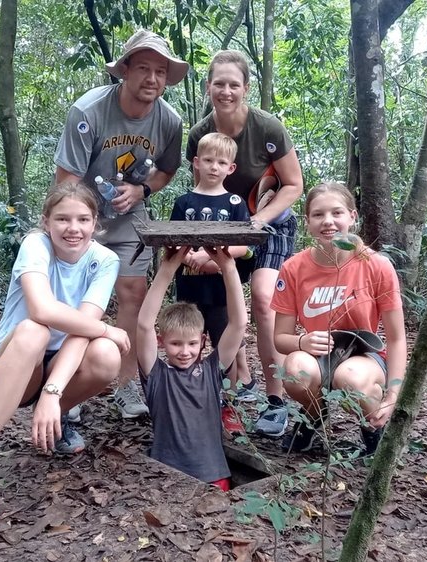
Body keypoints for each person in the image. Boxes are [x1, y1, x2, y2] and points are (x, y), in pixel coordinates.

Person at [0, 183, 130, 526]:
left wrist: (53, 395)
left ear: (95, 222)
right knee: (35, 330)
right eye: (63, 219)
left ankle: (57, 418)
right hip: (16, 357)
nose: (73, 228)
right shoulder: (35, 244)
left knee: (106, 355)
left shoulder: (105, 260)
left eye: (83, 219)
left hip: (62, 365)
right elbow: (41, 309)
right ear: (46, 222)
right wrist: (106, 327)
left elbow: (82, 330)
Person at [55, 29, 189, 420]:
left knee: (133, 293)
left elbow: (166, 169)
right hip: (81, 217)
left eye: (160, 71)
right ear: (124, 71)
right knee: (74, 298)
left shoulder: (169, 120)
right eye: (144, 68)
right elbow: (67, 181)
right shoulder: (89, 112)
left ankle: (127, 384)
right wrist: (80, 226)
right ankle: (68, 383)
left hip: (129, 219)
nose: (152, 79)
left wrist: (141, 191)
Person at [186, 49, 305, 437]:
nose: (225, 91)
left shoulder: (267, 128)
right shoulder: (199, 134)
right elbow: (198, 190)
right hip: (221, 230)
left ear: (246, 88)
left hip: (269, 225)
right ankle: (238, 383)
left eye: (233, 84)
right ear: (208, 87)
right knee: (217, 304)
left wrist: (257, 221)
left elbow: (293, 185)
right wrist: (199, 247)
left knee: (262, 300)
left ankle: (275, 401)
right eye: (218, 83)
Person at [270, 182, 407, 455]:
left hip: (364, 357)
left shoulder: (376, 265)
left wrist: (393, 394)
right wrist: (302, 341)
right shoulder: (294, 268)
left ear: (352, 217)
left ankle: (373, 426)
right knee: (294, 371)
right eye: (318, 215)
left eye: (337, 213)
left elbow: (396, 337)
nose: (328, 222)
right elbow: (280, 339)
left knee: (351, 379)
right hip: (317, 354)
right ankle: (314, 416)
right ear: (307, 221)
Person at [137, 245, 247, 491]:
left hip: (215, 476)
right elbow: (144, 324)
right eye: (176, 344)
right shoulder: (156, 375)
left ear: (203, 342)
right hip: (166, 479)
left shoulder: (211, 371)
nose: (184, 351)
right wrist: (168, 268)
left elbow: (239, 324)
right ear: (161, 341)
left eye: (192, 343)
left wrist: (228, 268)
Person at [169, 132, 253, 434]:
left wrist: (214, 258)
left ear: (231, 168)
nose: (214, 167)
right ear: (196, 163)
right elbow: (173, 242)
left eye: (221, 162)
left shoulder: (235, 203)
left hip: (221, 292)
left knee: (224, 346)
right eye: (208, 160)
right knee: (188, 345)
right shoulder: (184, 202)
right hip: (189, 289)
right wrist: (189, 255)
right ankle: (187, 398)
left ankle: (228, 404)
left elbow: (245, 244)